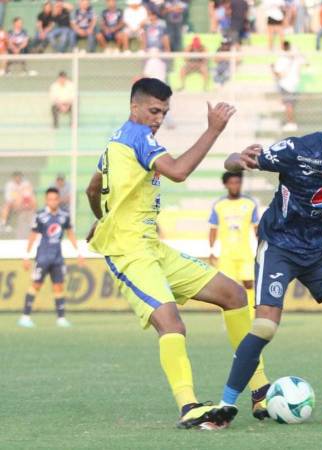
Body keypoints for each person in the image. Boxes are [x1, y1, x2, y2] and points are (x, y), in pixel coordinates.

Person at [84, 78, 270, 429]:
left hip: (152, 247)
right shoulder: (138, 138)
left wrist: (103, 217)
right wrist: (213, 129)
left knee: (232, 294)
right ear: (134, 107)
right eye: (154, 110)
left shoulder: (119, 141)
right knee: (171, 322)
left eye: (164, 113)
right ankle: (188, 406)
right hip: (128, 252)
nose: (158, 118)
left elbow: (92, 187)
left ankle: (259, 388)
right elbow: (180, 172)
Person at [218, 115, 322, 428]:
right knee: (265, 327)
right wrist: (238, 159)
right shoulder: (295, 150)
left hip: (321, 248)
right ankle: (224, 407)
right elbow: (233, 162)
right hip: (280, 244)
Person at [18, 188, 84, 329]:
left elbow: (70, 234)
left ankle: (61, 318)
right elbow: (32, 236)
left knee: (58, 286)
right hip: (42, 257)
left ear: (58, 200)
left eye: (55, 199)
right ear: (46, 200)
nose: (53, 201)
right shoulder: (40, 216)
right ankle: (25, 317)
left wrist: (78, 252)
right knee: (36, 285)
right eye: (50, 199)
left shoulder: (64, 216)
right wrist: (26, 256)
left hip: (57, 258)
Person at [208, 172, 259, 307]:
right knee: (227, 288)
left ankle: (251, 318)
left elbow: (256, 228)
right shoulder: (219, 205)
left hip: (245, 253)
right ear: (226, 185)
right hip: (226, 255)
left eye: (238, 182)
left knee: (249, 284)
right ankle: (230, 320)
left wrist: (261, 247)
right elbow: (213, 229)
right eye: (232, 183)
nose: (235, 186)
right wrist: (212, 250)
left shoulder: (249, 203)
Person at [272, 40, 305, 132]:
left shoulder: (282, 59)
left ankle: (291, 123)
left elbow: (278, 73)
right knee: (290, 105)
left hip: (286, 84)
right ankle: (291, 123)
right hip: (295, 85)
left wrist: (272, 68)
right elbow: (305, 62)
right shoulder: (296, 58)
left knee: (288, 105)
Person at [1, 172, 36, 237]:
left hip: (24, 202)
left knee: (33, 201)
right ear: (13, 178)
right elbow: (8, 198)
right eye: (16, 177)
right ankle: (3, 224)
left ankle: (33, 221)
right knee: (7, 206)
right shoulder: (9, 185)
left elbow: (30, 194)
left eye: (19, 177)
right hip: (14, 203)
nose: (18, 179)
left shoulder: (26, 183)